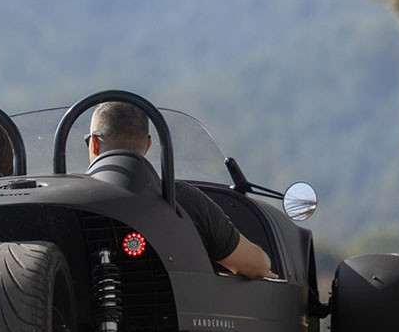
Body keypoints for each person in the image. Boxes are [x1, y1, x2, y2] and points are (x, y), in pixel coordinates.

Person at [85, 101, 272, 280]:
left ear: (94, 143)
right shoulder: (187, 200)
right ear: (148, 145)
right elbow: (257, 266)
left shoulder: (67, 202)